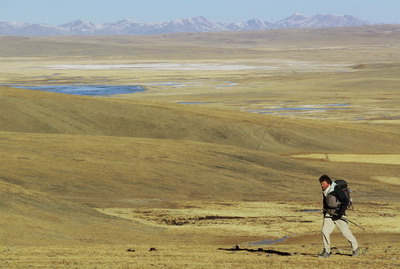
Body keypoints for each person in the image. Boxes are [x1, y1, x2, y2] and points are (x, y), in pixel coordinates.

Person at [318, 175, 359, 258]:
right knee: (324, 231)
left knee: (346, 233)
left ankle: (356, 248)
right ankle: (327, 251)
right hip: (329, 214)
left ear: (328, 183)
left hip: (338, 214)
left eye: (323, 184)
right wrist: (324, 213)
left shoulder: (336, 189)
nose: (322, 185)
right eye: (321, 184)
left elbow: (345, 201)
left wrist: (340, 213)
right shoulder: (325, 191)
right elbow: (325, 203)